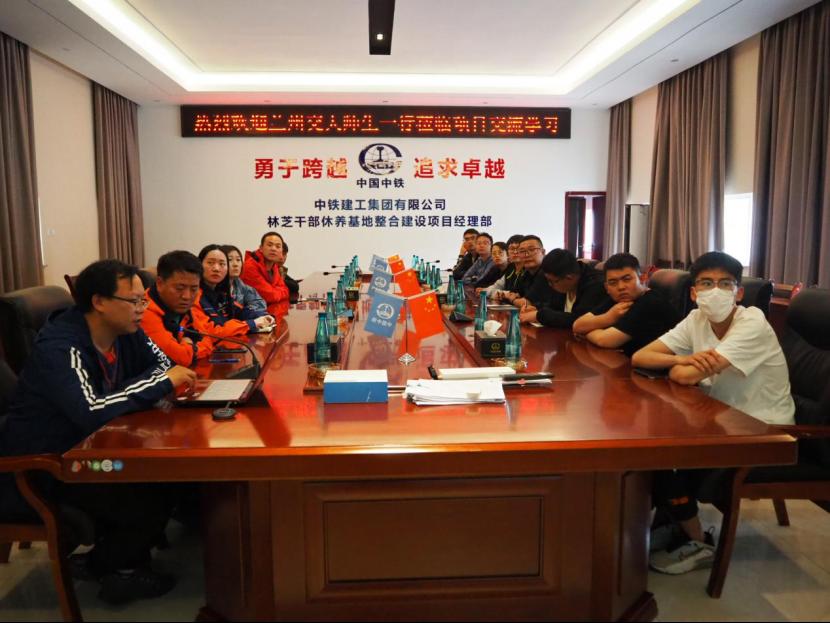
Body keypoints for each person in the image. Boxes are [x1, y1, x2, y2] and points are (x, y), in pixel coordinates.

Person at [0, 259, 196, 604]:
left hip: (93, 449)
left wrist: (142, 387)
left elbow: (166, 366)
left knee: (172, 477)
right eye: (134, 301)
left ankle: (108, 561)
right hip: (53, 466)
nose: (143, 308)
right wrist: (155, 385)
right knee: (145, 493)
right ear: (99, 302)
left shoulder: (127, 331)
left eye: (143, 300)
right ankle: (115, 570)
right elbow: (91, 409)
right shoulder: (61, 347)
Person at [632, 251, 795, 575]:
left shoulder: (752, 323)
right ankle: (676, 522)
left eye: (725, 284)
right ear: (694, 293)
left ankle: (699, 541)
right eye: (706, 283)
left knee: (664, 461)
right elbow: (641, 356)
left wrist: (680, 368)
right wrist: (680, 360)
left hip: (763, 428)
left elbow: (686, 377)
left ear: (739, 292)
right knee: (649, 448)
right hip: (720, 417)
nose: (716, 291)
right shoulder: (697, 319)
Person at [572, 253, 680, 356]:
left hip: (660, 367)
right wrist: (608, 317)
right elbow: (577, 325)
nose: (621, 287)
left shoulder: (650, 302)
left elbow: (604, 340)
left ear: (642, 278)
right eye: (613, 282)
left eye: (627, 279)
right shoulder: (620, 298)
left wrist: (587, 330)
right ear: (607, 288)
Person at [141, 250, 217, 366]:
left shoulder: (183, 308)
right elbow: (180, 358)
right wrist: (190, 344)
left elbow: (208, 340)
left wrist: (188, 348)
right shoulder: (144, 312)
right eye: (179, 288)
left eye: (194, 289)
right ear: (160, 283)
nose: (187, 296)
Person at [520, 249, 608, 327]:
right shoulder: (562, 281)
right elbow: (555, 309)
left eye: (552, 281)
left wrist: (539, 315)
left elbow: (579, 319)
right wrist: (536, 310)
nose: (550, 285)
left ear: (569, 278)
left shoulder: (596, 285)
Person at [197, 244, 274, 335]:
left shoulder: (222, 292)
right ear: (199, 264)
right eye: (210, 263)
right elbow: (211, 332)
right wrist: (251, 324)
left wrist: (263, 316)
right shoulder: (195, 295)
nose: (216, 269)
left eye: (222, 264)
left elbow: (239, 311)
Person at [502, 235, 563, 313]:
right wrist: (514, 297)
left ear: (543, 252)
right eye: (522, 251)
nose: (527, 255)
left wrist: (513, 300)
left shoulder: (546, 272)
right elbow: (513, 293)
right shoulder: (526, 273)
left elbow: (525, 303)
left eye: (532, 249)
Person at [241, 232, 290, 309]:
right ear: (261, 248)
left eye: (278, 246)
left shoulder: (274, 266)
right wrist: (277, 292)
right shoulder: (249, 266)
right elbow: (269, 296)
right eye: (269, 245)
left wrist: (275, 292)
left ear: (281, 251)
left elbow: (286, 290)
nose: (273, 249)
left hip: (267, 310)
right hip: (250, 312)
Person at [220, 244, 269, 317]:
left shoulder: (239, 284)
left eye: (238, 260)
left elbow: (260, 304)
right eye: (230, 260)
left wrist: (244, 311)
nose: (235, 264)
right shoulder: (215, 286)